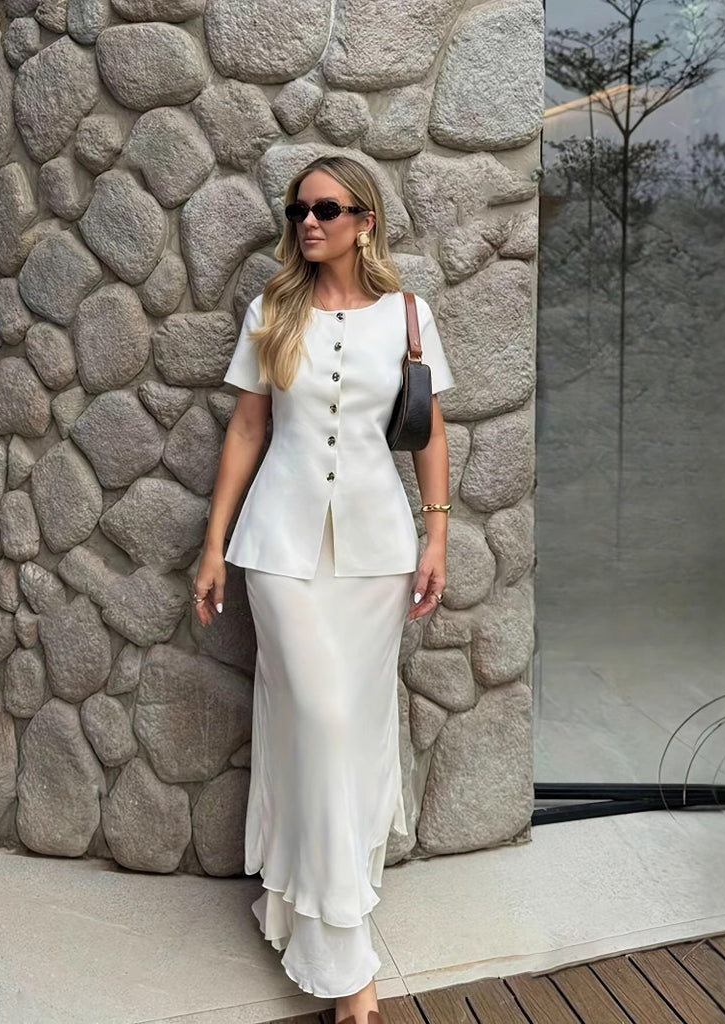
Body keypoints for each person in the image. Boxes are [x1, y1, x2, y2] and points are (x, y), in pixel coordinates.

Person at [192, 155, 454, 1024]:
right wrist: (213, 545)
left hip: (378, 555)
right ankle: (351, 975)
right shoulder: (271, 311)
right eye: (299, 210)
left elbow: (429, 432)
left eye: (328, 209)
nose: (309, 222)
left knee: (350, 728)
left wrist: (438, 535)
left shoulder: (409, 315)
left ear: (364, 220)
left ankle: (304, 898)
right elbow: (248, 428)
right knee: (322, 715)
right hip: (278, 549)